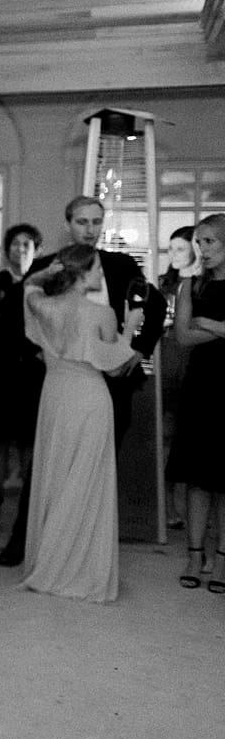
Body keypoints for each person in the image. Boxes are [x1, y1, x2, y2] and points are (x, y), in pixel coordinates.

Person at [0, 196, 166, 567]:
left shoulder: (120, 263)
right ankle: (25, 541)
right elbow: (18, 318)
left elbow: (155, 307)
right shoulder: (47, 268)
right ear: (68, 224)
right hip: (60, 381)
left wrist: (137, 351)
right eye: (82, 222)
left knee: (98, 467)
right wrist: (41, 352)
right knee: (47, 462)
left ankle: (86, 546)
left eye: (96, 222)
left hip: (114, 382)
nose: (90, 229)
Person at [20, 244, 143, 602]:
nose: (100, 275)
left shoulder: (41, 303)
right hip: (89, 397)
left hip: (55, 395)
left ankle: (50, 564)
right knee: (86, 480)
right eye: (96, 270)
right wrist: (130, 331)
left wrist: (53, 269)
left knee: (57, 476)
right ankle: (76, 567)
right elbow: (119, 367)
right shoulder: (101, 313)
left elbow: (30, 283)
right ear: (82, 272)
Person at [166, 214, 225, 592]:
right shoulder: (190, 285)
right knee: (197, 480)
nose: (201, 249)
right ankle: (193, 554)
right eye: (199, 242)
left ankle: (221, 564)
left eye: (209, 242)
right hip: (201, 387)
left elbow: (194, 328)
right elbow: (182, 337)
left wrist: (212, 324)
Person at [0, 224, 44, 532]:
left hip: (32, 373)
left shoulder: (43, 284)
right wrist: (10, 326)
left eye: (26, 244)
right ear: (6, 249)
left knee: (30, 443)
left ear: (36, 249)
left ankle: (26, 515)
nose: (20, 249)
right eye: (14, 244)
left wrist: (6, 323)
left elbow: (36, 328)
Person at [158, 226, 200, 531]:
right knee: (166, 436)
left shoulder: (202, 288)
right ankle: (166, 503)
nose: (173, 254)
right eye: (170, 248)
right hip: (167, 362)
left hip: (194, 363)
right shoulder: (163, 286)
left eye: (180, 248)